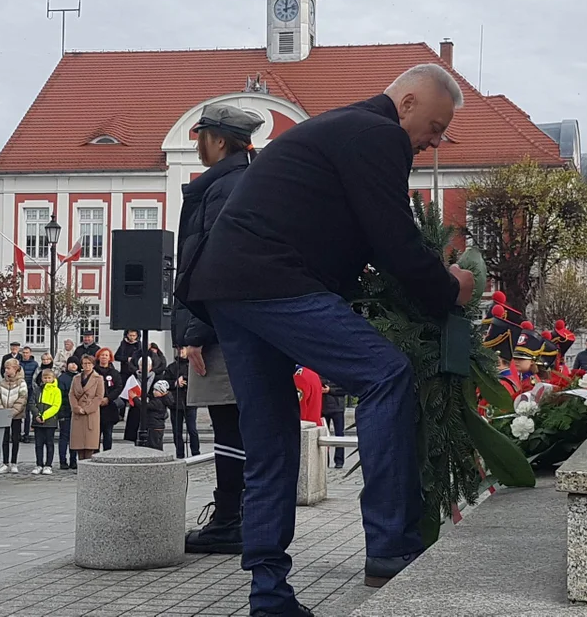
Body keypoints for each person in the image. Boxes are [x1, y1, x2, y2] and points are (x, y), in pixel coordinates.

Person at [179, 64, 475, 612]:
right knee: (386, 374)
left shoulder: (343, 131)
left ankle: (269, 595)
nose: (435, 141)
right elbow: (391, 235)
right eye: (435, 125)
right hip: (273, 279)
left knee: (271, 443)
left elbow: (355, 231)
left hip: (229, 289)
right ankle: (390, 546)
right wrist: (447, 287)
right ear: (406, 103)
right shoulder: (378, 133)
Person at [174, 104, 263, 556]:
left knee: (228, 427)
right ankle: (241, 516)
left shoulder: (223, 187)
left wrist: (194, 331)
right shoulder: (246, 179)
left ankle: (231, 519)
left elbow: (209, 262)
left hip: (218, 328)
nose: (196, 142)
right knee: (239, 427)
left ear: (221, 140)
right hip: (235, 325)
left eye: (202, 134)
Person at [164, 346, 200, 459]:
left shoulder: (193, 366)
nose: (181, 351)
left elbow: (198, 381)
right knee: (177, 431)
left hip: (190, 402)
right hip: (175, 403)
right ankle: (180, 454)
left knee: (192, 429)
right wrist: (175, 383)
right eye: (179, 349)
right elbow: (165, 382)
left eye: (183, 349)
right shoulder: (171, 367)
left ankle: (195, 452)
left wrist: (185, 381)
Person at [0, 358, 29, 474]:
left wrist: (13, 411)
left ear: (15, 369)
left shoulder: (21, 383)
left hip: (16, 416)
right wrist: (2, 411)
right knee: (4, 439)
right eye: (5, 368)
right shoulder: (2, 382)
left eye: (9, 368)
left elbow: (22, 398)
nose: (6, 370)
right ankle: (5, 462)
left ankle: (14, 462)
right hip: (4, 415)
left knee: (15, 439)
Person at [70, 355, 103, 461]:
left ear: (93, 365)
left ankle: (88, 465)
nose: (87, 365)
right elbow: (72, 394)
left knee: (90, 443)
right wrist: (76, 407)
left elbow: (99, 397)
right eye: (85, 363)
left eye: (89, 363)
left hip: (90, 413)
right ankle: (80, 463)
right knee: (78, 443)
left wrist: (87, 409)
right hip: (78, 412)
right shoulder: (76, 378)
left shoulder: (99, 379)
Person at [29, 369, 62, 475]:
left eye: (49, 378)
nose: (47, 380)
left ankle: (48, 464)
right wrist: (37, 415)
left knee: (49, 443)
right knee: (38, 444)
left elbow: (56, 406)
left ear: (53, 379)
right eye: (45, 378)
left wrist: (44, 416)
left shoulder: (56, 391)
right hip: (38, 421)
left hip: (50, 421)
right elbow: (32, 403)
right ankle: (39, 464)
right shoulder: (37, 389)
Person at [94, 348, 123, 451]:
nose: (104, 357)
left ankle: (107, 453)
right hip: (96, 407)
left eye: (106, 355)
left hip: (109, 407)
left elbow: (119, 387)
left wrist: (108, 398)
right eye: (102, 355)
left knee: (108, 433)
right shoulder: (94, 371)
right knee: (95, 434)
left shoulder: (114, 373)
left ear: (110, 358)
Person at [124, 356, 157, 443]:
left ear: (150, 367)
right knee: (133, 435)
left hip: (149, 409)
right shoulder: (133, 378)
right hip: (135, 408)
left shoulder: (156, 378)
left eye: (147, 365)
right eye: (142, 365)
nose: (144, 367)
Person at [320, 375, 347, 469]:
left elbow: (345, 389)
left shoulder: (339, 373)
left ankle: (339, 461)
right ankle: (324, 461)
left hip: (337, 408)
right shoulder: (319, 372)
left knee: (339, 435)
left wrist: (330, 390)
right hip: (323, 408)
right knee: (323, 436)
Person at [57, 357, 79, 470]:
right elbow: (60, 397)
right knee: (64, 438)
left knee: (74, 438)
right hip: (65, 412)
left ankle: (73, 460)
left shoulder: (80, 377)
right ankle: (62, 460)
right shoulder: (62, 378)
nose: (73, 365)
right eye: (71, 363)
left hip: (76, 413)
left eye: (75, 363)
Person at [145, 379, 173, 450]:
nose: (154, 392)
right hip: (158, 426)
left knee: (154, 446)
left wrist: (135, 398)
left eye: (156, 390)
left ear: (162, 392)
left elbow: (145, 406)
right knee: (157, 444)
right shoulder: (163, 400)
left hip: (154, 426)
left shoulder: (157, 402)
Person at [19, 347, 39, 442]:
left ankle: (26, 434)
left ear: (30, 353)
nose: (25, 354)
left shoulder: (35, 364)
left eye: (27, 353)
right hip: (20, 389)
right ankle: (18, 433)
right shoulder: (18, 363)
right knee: (19, 411)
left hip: (30, 389)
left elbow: (35, 377)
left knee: (27, 412)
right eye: (24, 352)